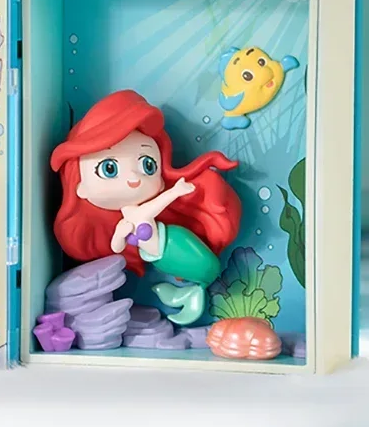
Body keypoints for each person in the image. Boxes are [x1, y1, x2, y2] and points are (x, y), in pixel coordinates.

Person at [50, 90, 242, 325]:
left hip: (175, 240)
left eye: (147, 164)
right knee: (200, 274)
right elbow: (117, 246)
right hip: (161, 256)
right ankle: (191, 292)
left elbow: (154, 207)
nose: (133, 177)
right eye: (110, 168)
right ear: (80, 187)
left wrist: (176, 192)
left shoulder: (141, 212)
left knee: (205, 270)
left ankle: (193, 291)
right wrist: (120, 236)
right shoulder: (127, 220)